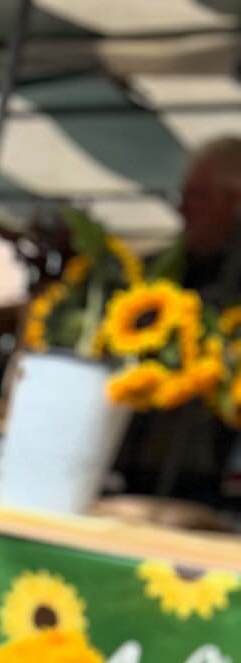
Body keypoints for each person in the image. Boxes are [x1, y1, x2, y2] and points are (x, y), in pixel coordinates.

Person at [117, 137, 241, 506]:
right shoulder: (163, 268)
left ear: (235, 201)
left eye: (198, 195)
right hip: (138, 459)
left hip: (210, 473)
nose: (183, 209)